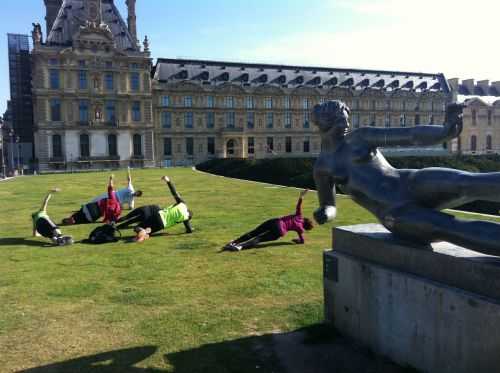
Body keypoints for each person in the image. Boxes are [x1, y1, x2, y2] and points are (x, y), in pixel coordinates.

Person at [312, 100, 500, 256]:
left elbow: (411, 135)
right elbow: (328, 204)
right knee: (448, 227)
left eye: (345, 120)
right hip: (394, 212)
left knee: (466, 182)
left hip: (410, 183)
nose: (345, 125)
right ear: (322, 123)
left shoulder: (360, 137)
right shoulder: (322, 167)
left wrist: (445, 132)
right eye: (339, 121)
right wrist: (325, 213)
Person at [224, 189, 314, 251]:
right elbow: (302, 241)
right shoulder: (300, 230)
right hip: (280, 232)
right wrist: (296, 240)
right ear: (306, 228)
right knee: (259, 239)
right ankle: (240, 247)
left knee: (255, 232)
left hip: (276, 222)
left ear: (305, 220)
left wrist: (301, 196)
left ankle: (234, 242)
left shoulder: (299, 216)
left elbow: (299, 205)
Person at [116, 176, 193, 242]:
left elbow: (174, 193)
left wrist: (168, 181)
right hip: (161, 225)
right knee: (148, 231)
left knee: (137, 227)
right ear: (189, 217)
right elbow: (189, 230)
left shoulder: (182, 204)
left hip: (159, 216)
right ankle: (144, 233)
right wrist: (191, 229)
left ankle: (142, 231)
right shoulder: (185, 218)